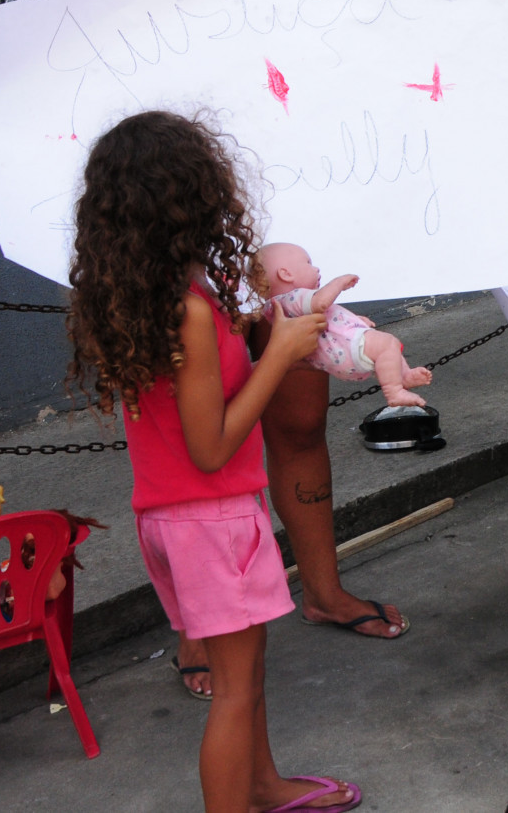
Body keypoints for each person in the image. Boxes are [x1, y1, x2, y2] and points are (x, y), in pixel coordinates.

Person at [0, 0, 407, 704]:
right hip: (178, 269)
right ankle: (198, 626)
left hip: (286, 250)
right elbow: (59, 115)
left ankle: (323, 586)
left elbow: (388, 56)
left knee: (299, 421)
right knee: (190, 458)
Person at [66, 110, 358, 811]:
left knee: (246, 676)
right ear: (195, 197)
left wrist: (260, 333)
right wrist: (282, 355)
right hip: (212, 521)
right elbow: (212, 444)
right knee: (234, 690)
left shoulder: (144, 296)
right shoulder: (189, 310)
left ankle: (263, 784)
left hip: (177, 519)